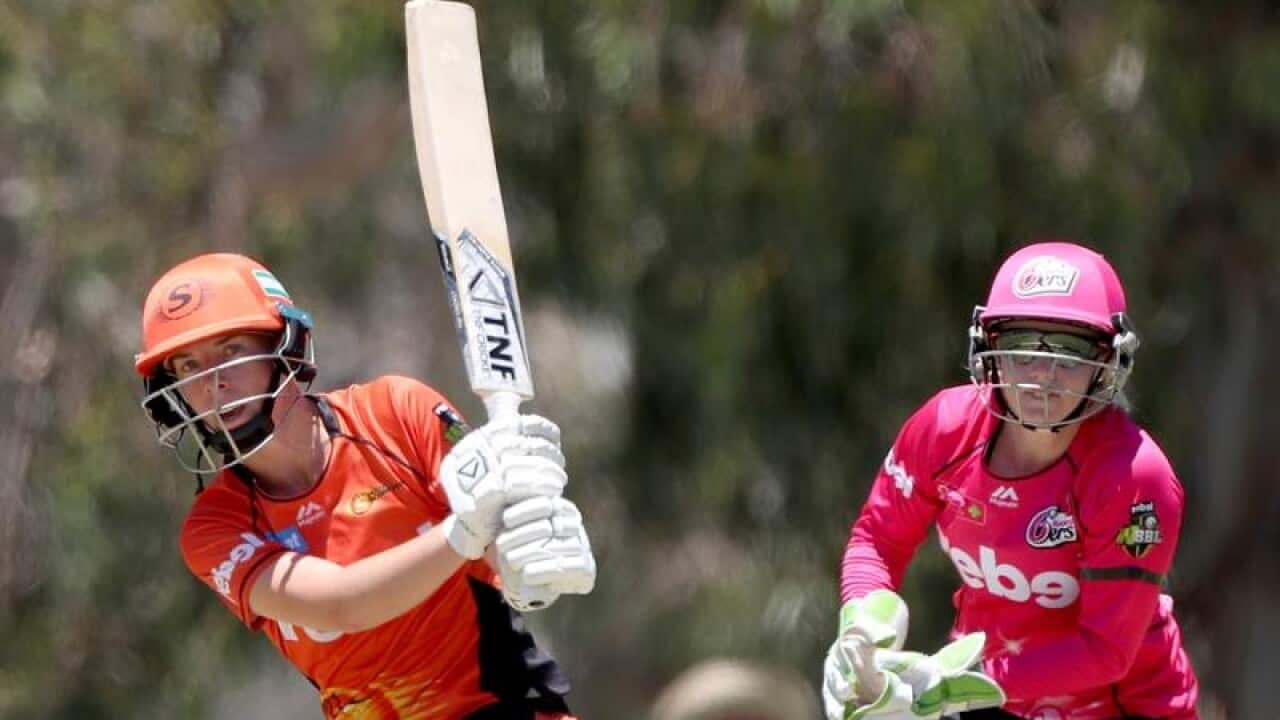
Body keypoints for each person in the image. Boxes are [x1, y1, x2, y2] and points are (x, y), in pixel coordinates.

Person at [134, 252, 596, 720]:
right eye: (189, 367)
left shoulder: (396, 413)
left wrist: (528, 537)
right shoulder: (215, 528)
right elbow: (340, 605)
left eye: (231, 350)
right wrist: (464, 532)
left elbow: (501, 547)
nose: (213, 383)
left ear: (285, 345)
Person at [821, 242, 1200, 719]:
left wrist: (950, 684)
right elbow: (878, 539)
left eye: (1070, 354)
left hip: (1125, 705)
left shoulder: (1134, 477)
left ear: (1109, 361)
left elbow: (1105, 650)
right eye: (1023, 352)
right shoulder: (944, 428)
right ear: (990, 349)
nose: (1042, 378)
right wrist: (862, 627)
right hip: (988, 692)